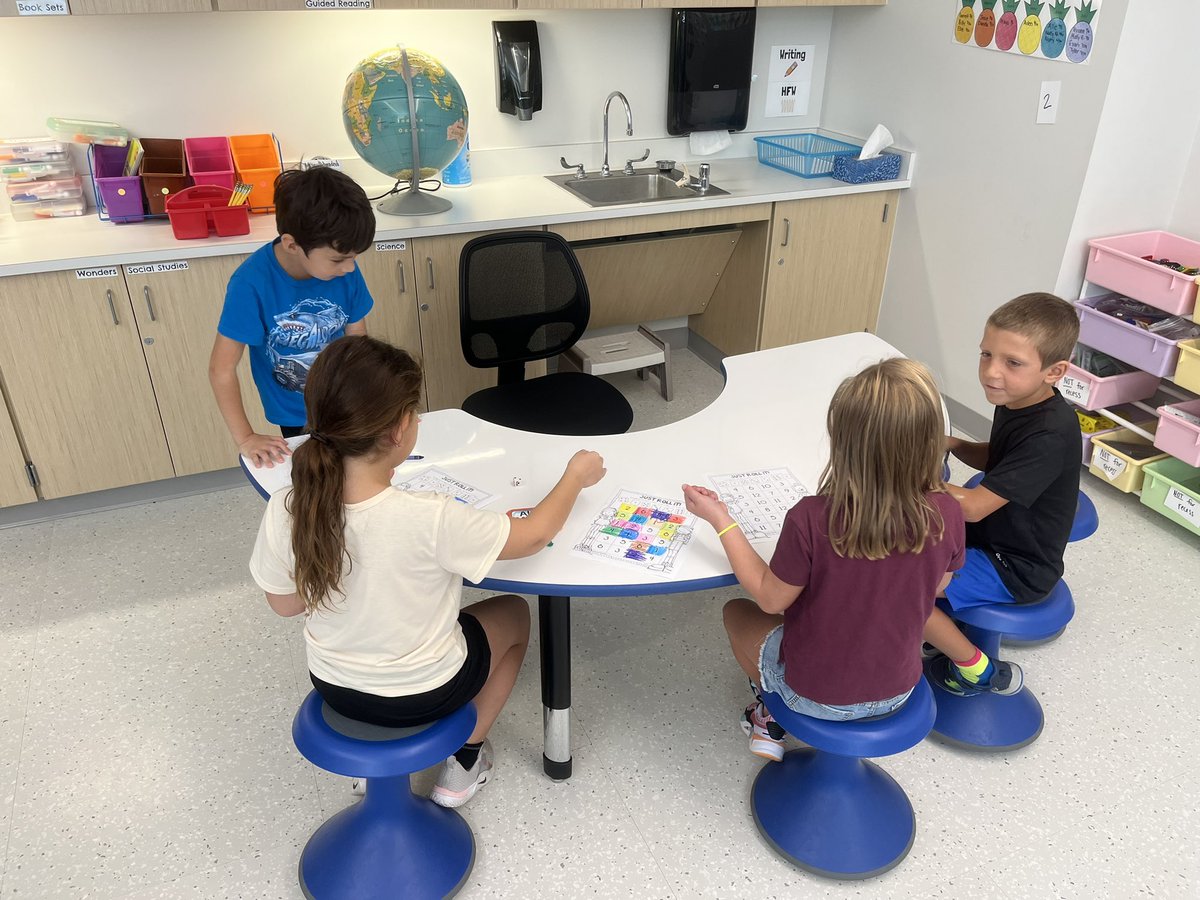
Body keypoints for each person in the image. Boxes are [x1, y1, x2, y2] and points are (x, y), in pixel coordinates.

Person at [249, 335, 605, 807]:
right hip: (424, 692)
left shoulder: (287, 505)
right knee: (516, 614)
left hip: (335, 688)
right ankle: (466, 759)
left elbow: (286, 605)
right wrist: (575, 476)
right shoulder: (429, 515)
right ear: (399, 430)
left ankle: (377, 767)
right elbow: (534, 535)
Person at [683, 358, 965, 761]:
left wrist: (721, 519)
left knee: (735, 612)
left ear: (844, 442)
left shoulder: (812, 517)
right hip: (901, 688)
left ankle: (769, 716)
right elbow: (938, 586)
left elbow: (769, 599)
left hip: (815, 697)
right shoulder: (948, 512)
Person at [924, 292, 1081, 696]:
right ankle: (945, 626)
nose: (992, 373)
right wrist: (954, 444)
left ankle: (975, 668)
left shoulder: (1049, 434)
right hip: (995, 535)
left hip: (1015, 567)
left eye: (1012, 363)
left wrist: (896, 476)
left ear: (1054, 371)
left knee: (897, 587)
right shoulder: (1019, 399)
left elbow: (974, 508)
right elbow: (998, 456)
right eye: (986, 355)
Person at [209, 167, 376, 469]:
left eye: (354, 258)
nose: (350, 268)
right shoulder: (251, 284)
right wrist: (245, 437)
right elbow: (221, 369)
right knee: (315, 481)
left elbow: (358, 344)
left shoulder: (343, 269)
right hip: (295, 416)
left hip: (344, 402)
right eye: (339, 259)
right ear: (292, 245)